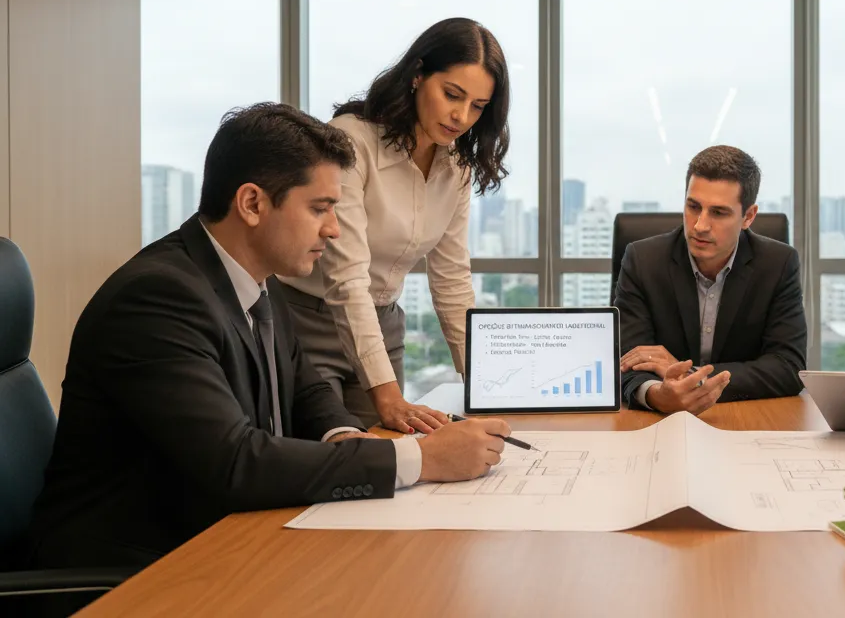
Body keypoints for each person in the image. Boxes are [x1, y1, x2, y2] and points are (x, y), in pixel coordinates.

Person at [30, 103, 511, 573]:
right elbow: (236, 462)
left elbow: (308, 389)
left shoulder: (259, 279)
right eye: (320, 208)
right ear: (253, 203)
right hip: (137, 569)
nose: (334, 228)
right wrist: (419, 459)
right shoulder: (157, 298)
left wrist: (347, 438)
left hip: (220, 540)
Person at [279, 18, 510, 435]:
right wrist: (387, 395)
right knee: (327, 466)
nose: (461, 116)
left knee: (390, 473)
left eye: (478, 106)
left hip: (384, 326)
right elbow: (346, 278)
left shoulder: (455, 165)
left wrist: (485, 384)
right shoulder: (352, 141)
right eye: (451, 95)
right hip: (307, 324)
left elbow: (452, 280)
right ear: (418, 76)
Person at [615, 146, 807, 414]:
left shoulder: (777, 264)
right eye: (693, 207)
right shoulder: (643, 261)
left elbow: (787, 367)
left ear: (748, 216)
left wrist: (693, 376)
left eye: (718, 213)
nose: (700, 226)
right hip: (659, 423)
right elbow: (628, 361)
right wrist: (658, 395)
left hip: (743, 420)